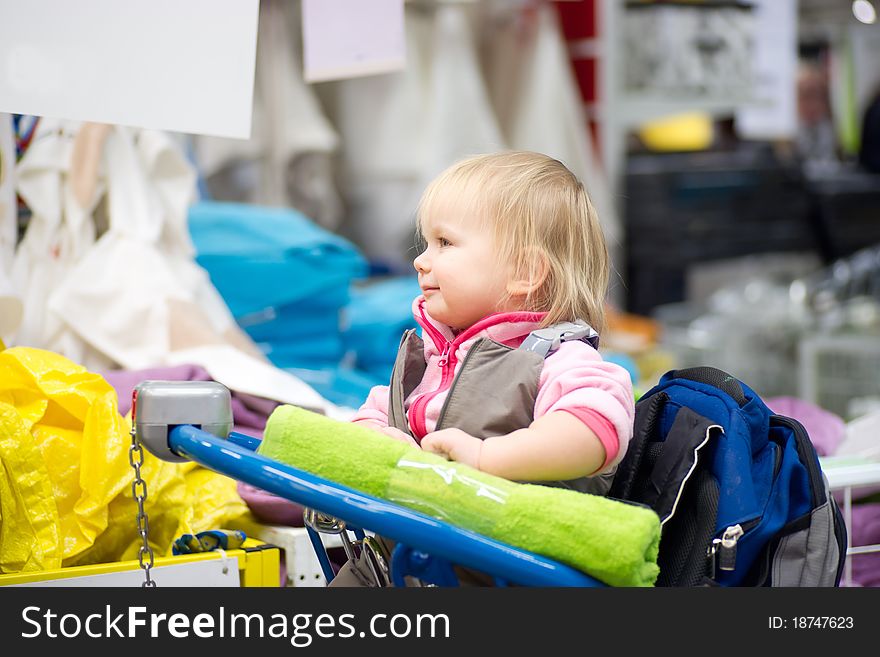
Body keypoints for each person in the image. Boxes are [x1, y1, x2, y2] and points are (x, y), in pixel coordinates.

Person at [351, 151, 634, 494]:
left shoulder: (557, 359)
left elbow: (596, 428)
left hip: (516, 543)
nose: (421, 262)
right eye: (425, 243)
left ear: (524, 272)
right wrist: (381, 437)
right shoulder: (435, 356)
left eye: (445, 242)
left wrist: (486, 457)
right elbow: (378, 411)